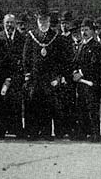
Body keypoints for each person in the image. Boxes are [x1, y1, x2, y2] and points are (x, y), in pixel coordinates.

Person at [71, 17, 101, 141]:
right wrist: (75, 72)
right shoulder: (81, 45)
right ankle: (82, 132)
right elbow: (75, 61)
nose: (83, 32)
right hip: (81, 84)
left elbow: (94, 64)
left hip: (92, 84)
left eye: (86, 30)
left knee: (93, 109)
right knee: (81, 108)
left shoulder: (96, 46)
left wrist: (80, 73)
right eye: (82, 30)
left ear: (92, 31)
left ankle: (95, 133)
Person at [23, 11, 67, 140]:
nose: (43, 23)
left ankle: (47, 133)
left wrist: (57, 76)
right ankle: (33, 132)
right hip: (35, 77)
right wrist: (27, 74)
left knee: (48, 106)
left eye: (45, 21)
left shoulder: (56, 36)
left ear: (49, 21)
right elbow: (26, 57)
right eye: (40, 21)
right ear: (37, 21)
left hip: (49, 77)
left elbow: (60, 59)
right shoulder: (31, 35)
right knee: (33, 105)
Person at [0, 14, 26, 138]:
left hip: (16, 76)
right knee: (2, 103)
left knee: (16, 103)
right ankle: (1, 130)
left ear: (15, 24)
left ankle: (18, 129)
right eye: (7, 22)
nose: (9, 25)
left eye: (11, 22)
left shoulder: (22, 38)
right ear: (3, 23)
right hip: (2, 76)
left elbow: (24, 57)